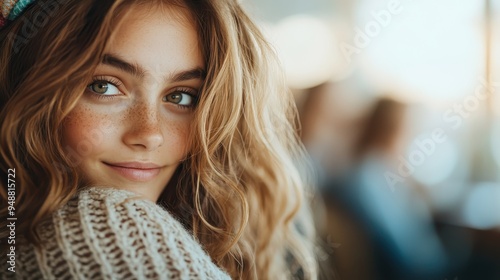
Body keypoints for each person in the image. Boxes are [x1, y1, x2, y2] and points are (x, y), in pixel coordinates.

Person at [0, 0, 318, 279]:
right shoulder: (108, 226)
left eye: (181, 96)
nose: (150, 135)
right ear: (25, 88)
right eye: (104, 87)